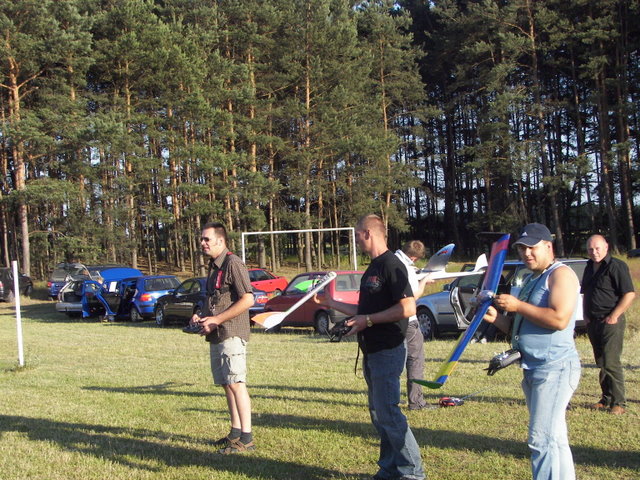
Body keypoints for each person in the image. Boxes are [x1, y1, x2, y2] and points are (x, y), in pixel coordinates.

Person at [315, 214, 425, 480]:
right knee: (378, 413)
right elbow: (364, 310)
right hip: (371, 351)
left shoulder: (392, 265)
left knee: (388, 412)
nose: (355, 240)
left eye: (356, 235)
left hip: (388, 349)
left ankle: (413, 473)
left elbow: (408, 308)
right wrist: (331, 303)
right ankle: (389, 469)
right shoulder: (373, 268)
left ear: (368, 233)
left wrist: (368, 321)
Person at [483, 223, 581, 480]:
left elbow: (559, 319)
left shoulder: (561, 275)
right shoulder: (532, 278)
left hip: (555, 368)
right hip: (533, 368)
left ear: (548, 246)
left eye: (532, 248)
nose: (526, 253)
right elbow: (518, 327)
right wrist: (496, 318)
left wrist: (517, 306)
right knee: (554, 439)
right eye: (521, 249)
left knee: (541, 440)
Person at [188, 222, 256, 454]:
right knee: (227, 384)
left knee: (236, 383)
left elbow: (248, 299)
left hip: (232, 332)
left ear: (221, 240)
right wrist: (201, 314)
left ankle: (247, 439)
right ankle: (235, 433)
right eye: (202, 239)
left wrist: (217, 319)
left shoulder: (233, 263)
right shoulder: (214, 265)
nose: (202, 243)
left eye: (206, 239)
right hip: (218, 333)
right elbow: (214, 298)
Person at [581, 234, 636, 415]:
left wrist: (614, 315)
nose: (594, 252)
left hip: (611, 321)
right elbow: (586, 293)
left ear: (606, 247)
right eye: (590, 249)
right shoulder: (589, 267)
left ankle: (619, 403)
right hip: (593, 321)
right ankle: (606, 399)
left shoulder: (616, 266)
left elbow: (629, 294)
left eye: (597, 248)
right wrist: (585, 315)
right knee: (601, 361)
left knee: (611, 361)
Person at [395, 240, 432, 410]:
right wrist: (423, 282)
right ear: (414, 257)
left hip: (391, 321)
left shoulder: (391, 261)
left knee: (393, 360)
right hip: (408, 321)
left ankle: (391, 399)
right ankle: (416, 402)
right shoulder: (407, 269)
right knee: (415, 359)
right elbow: (413, 297)